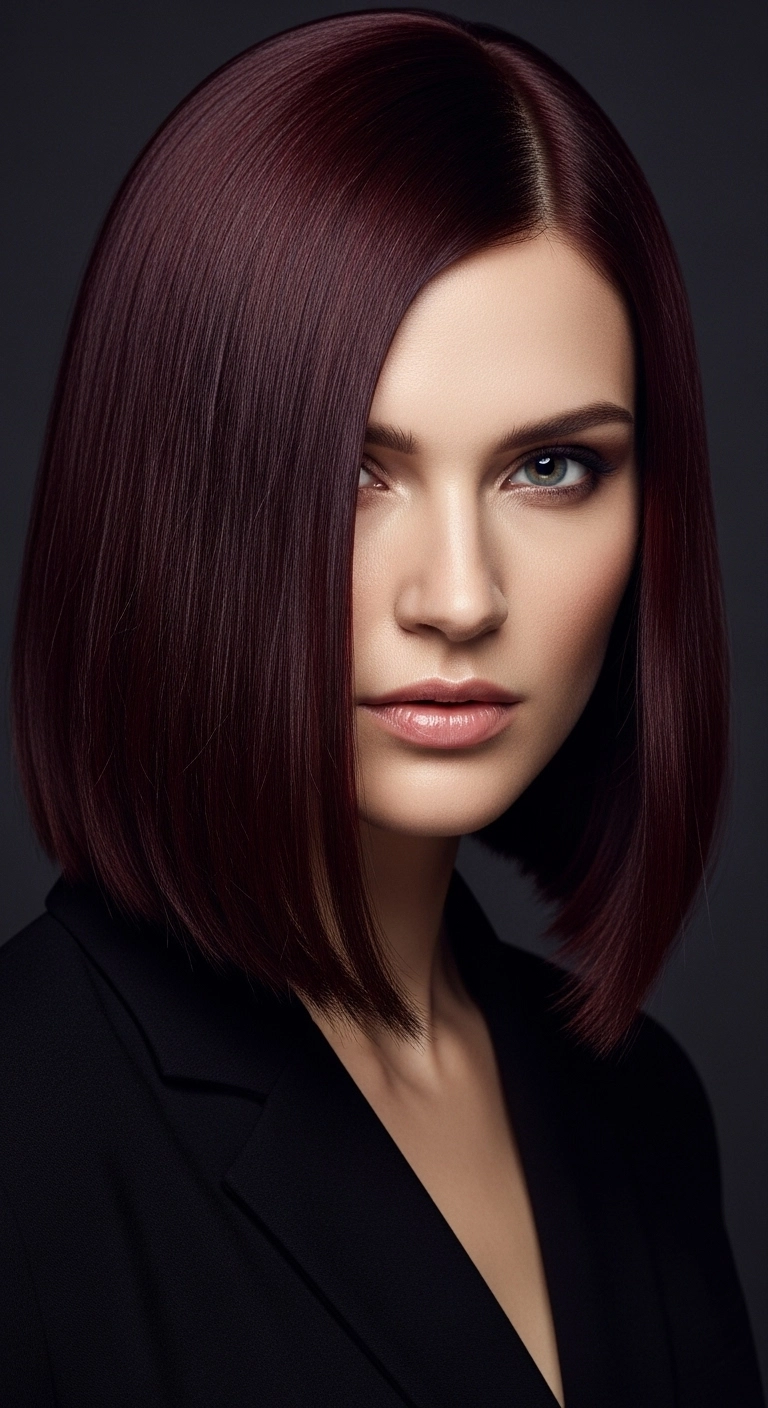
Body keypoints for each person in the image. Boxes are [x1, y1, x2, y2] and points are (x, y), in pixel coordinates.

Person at [0, 10, 763, 1406]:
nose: (460, 597)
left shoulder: (640, 1108)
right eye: (357, 471)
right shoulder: (27, 1137)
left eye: (550, 468)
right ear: (163, 496)